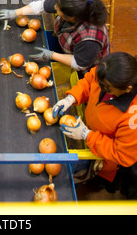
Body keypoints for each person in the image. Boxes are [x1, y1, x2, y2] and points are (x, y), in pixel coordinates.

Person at [52, 52, 137, 199]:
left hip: (101, 155)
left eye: (108, 88)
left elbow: (122, 155)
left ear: (127, 89)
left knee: (76, 176)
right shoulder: (107, 72)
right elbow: (90, 80)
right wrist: (72, 97)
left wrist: (88, 135)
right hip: (88, 127)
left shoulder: (132, 118)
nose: (102, 88)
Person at [0, 0, 109, 74]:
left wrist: (51, 55)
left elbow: (79, 64)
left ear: (70, 17)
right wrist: (16, 12)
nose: (55, 6)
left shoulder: (90, 39)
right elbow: (42, 6)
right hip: (66, 46)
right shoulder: (69, 3)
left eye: (57, 9)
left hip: (85, 69)